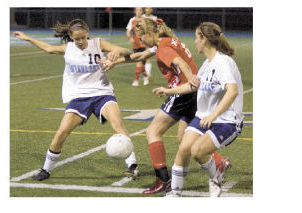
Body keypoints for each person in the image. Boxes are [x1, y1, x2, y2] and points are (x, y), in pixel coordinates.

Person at [101, 18, 230, 194]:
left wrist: (191, 78)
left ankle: (162, 180)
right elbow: (141, 55)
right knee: (183, 138)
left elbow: (179, 62)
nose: (141, 42)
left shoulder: (163, 48)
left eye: (141, 38)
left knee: (152, 132)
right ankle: (218, 160)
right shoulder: (168, 40)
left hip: (181, 94)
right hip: (193, 95)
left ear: (148, 33)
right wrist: (115, 62)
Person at [13, 19, 139, 181]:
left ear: (87, 34)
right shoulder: (68, 48)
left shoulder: (97, 43)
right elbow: (49, 49)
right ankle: (46, 169)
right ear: (71, 36)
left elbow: (125, 50)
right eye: (77, 38)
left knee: (117, 124)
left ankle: (133, 166)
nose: (81, 41)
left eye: (83, 38)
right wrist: (28, 38)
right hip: (79, 97)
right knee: (61, 132)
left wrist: (117, 52)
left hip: (102, 93)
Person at [153, 22, 244, 197]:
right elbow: (192, 86)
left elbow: (233, 91)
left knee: (197, 151)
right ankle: (175, 195)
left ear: (205, 39)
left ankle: (215, 179)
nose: (194, 41)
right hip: (204, 117)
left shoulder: (222, 62)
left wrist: (213, 115)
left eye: (197, 37)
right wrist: (168, 91)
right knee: (183, 149)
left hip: (227, 120)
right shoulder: (207, 63)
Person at [126, 7, 150, 86]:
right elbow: (128, 32)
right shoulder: (132, 20)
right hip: (135, 45)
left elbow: (149, 32)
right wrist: (130, 38)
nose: (138, 12)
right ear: (135, 11)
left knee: (138, 61)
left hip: (144, 44)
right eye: (137, 10)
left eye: (140, 10)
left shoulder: (145, 20)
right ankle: (146, 76)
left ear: (142, 11)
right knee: (141, 63)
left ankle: (136, 80)